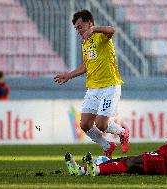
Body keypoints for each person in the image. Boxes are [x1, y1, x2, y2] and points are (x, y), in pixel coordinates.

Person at [54, 10, 129, 158]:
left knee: (102, 124)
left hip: (110, 86)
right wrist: (68, 75)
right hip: (93, 88)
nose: (78, 31)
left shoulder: (101, 35)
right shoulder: (85, 42)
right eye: (76, 28)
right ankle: (107, 146)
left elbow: (112, 30)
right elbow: (86, 65)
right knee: (85, 125)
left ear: (89, 23)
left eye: (80, 26)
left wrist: (94, 29)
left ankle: (123, 132)